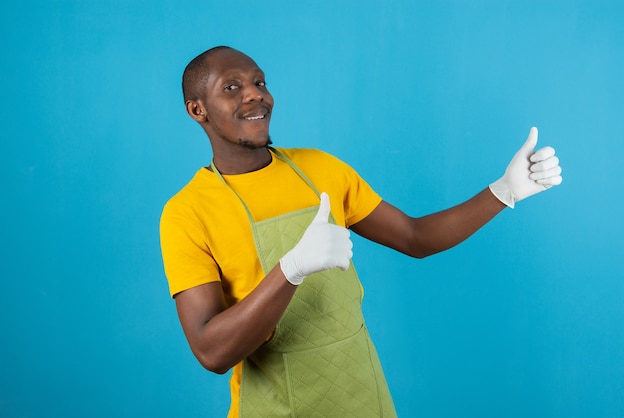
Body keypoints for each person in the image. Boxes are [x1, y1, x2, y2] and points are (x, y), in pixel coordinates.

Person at [159, 46, 562, 417]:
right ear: (198, 110)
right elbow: (211, 351)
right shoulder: (188, 213)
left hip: (362, 395)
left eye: (260, 82)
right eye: (232, 87)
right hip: (277, 407)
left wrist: (504, 191)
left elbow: (414, 237)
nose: (255, 94)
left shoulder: (321, 170)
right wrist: (292, 269)